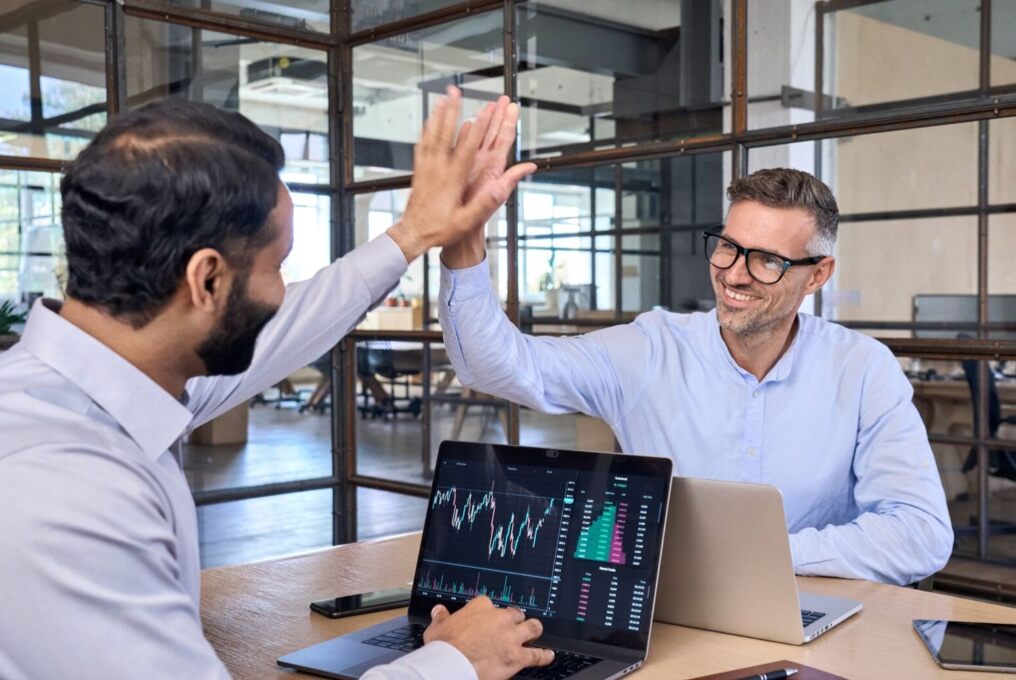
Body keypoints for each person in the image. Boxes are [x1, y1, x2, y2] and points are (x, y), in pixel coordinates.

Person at [0, 90, 552, 680]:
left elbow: (288, 330)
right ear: (207, 279)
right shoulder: (66, 487)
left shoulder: (104, 389)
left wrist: (412, 234)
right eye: (277, 267)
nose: (282, 292)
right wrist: (454, 662)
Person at [437, 168, 954, 587]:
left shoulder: (863, 370)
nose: (733, 274)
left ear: (817, 275)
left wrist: (766, 556)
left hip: (815, 616)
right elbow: (494, 364)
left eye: (767, 260)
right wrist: (464, 249)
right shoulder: (651, 350)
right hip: (676, 619)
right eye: (728, 246)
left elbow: (921, 532)